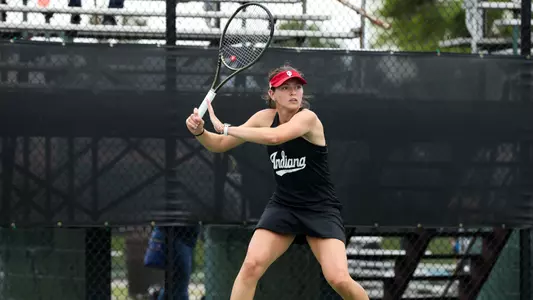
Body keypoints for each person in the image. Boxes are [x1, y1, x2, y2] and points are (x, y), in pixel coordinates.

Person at [185, 64, 369, 300]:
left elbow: (275, 137)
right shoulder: (264, 118)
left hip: (320, 208)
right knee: (251, 267)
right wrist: (200, 131)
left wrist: (229, 128)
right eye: (286, 87)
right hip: (284, 206)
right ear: (272, 94)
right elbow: (219, 144)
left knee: (339, 279)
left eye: (297, 88)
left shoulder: (308, 118)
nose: (294, 93)